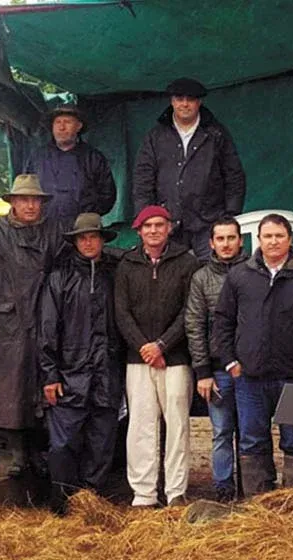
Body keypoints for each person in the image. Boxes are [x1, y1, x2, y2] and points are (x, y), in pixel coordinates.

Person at [212, 214, 293, 497]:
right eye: (268, 236)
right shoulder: (240, 275)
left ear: (290, 239)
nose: (273, 241)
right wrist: (230, 361)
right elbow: (223, 320)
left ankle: (292, 503)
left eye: (279, 235)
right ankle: (259, 506)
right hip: (249, 377)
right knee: (252, 441)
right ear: (259, 240)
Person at [0, 174, 61, 477]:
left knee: (39, 386)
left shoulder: (54, 231)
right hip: (5, 324)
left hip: (43, 319)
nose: (30, 205)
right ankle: (19, 455)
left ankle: (37, 453)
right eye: (24, 200)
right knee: (8, 392)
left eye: (35, 200)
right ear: (13, 202)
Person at [38, 213, 124, 515]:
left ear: (102, 240)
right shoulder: (59, 278)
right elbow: (47, 329)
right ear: (75, 241)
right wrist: (50, 374)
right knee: (63, 444)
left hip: (107, 375)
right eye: (82, 237)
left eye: (94, 236)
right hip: (68, 375)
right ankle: (62, 505)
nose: (88, 242)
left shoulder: (115, 275)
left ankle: (92, 504)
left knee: (101, 443)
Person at [114, 205, 200, 506]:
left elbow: (189, 311)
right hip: (138, 358)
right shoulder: (127, 264)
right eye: (147, 225)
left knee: (177, 425)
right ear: (138, 231)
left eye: (159, 225)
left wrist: (162, 346)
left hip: (175, 359)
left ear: (169, 228)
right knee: (140, 425)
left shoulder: (186, 262)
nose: (153, 230)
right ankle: (144, 493)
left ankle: (176, 491)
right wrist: (146, 349)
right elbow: (121, 313)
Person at [132, 78, 246, 261]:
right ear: (172, 101)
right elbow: (142, 180)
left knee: (215, 276)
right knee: (170, 280)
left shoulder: (216, 134)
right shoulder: (155, 136)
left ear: (199, 102)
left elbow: (234, 177)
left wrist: (230, 216)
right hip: (168, 223)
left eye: (190, 99)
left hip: (209, 223)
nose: (184, 104)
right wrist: (146, 218)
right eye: (179, 99)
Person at [184, 217, 249, 502]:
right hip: (217, 369)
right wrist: (202, 372)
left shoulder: (254, 272)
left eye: (231, 238)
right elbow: (194, 325)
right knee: (221, 432)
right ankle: (223, 488)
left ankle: (250, 489)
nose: (226, 244)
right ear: (211, 243)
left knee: (249, 432)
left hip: (250, 368)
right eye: (220, 239)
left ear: (241, 240)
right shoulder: (201, 278)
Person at [26, 103, 117, 230]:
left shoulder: (93, 157)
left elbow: (107, 195)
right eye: (57, 122)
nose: (62, 127)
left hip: (81, 230)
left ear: (79, 126)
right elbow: (26, 191)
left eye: (67, 122)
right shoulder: (38, 157)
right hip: (43, 228)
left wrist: (87, 215)